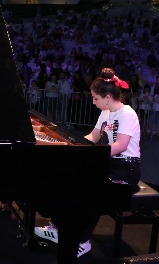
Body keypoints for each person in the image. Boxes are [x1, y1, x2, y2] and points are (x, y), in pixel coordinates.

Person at [34, 68, 141, 258]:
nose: (93, 102)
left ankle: (82, 241)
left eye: (95, 98)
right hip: (108, 162)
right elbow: (93, 136)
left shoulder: (127, 113)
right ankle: (58, 227)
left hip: (126, 168)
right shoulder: (106, 112)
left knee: (91, 190)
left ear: (108, 97)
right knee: (69, 179)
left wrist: (92, 155)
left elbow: (121, 145)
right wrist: (71, 144)